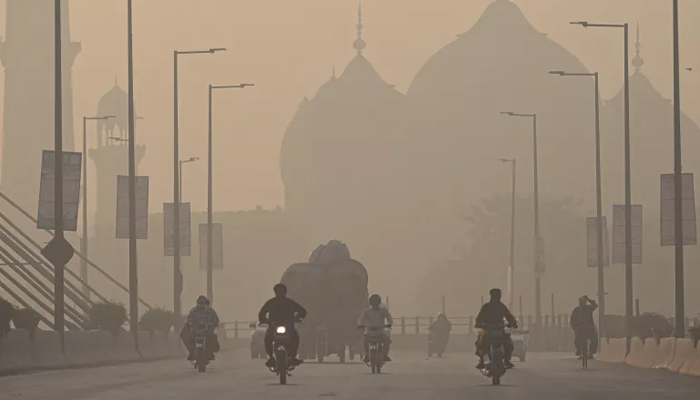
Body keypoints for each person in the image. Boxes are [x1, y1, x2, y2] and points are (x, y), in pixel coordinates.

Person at [258, 283, 307, 368]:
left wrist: (297, 318)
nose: (279, 293)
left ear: (285, 292)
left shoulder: (290, 302)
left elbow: (302, 311)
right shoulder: (271, 303)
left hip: (289, 327)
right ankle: (270, 358)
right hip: (273, 327)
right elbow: (262, 313)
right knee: (268, 338)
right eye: (278, 292)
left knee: (295, 338)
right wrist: (264, 320)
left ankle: (293, 357)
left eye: (281, 291)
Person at [475, 288, 518, 369]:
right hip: (487, 330)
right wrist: (479, 324)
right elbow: (479, 318)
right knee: (481, 341)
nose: (496, 298)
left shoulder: (502, 307)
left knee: (508, 343)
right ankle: (481, 360)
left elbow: (509, 316)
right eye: (495, 296)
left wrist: (513, 323)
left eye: (497, 296)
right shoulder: (486, 307)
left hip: (499, 330)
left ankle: (507, 359)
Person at [181, 295, 220, 361]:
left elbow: (215, 320)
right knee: (187, 338)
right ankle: (192, 352)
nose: (201, 305)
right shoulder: (194, 311)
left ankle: (210, 352)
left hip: (206, 331)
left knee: (212, 339)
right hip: (196, 331)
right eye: (199, 303)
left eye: (202, 303)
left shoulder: (210, 311)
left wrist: (213, 325)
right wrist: (190, 325)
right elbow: (189, 320)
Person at [357, 293, 393, 363]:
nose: (375, 304)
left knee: (387, 341)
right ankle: (367, 355)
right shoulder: (367, 311)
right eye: (373, 302)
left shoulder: (383, 310)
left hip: (380, 332)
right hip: (369, 332)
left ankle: (384, 354)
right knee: (365, 342)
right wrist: (360, 324)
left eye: (376, 302)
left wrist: (389, 324)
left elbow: (389, 318)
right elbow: (361, 319)